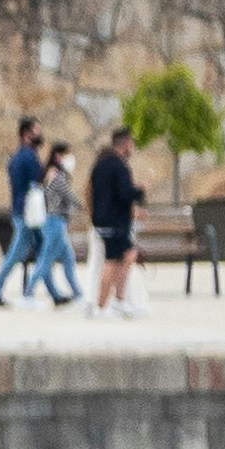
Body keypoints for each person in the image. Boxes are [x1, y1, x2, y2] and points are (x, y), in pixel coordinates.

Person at [0, 118, 48, 310]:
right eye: (36, 130)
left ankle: (52, 293)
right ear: (26, 134)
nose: (39, 134)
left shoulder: (16, 157)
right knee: (18, 253)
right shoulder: (29, 157)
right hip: (28, 212)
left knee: (41, 250)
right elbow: (38, 181)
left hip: (20, 210)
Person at [88, 129, 143, 319]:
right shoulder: (119, 166)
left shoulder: (100, 164)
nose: (133, 148)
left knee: (127, 255)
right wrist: (140, 190)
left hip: (103, 219)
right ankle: (101, 306)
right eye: (132, 143)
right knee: (112, 260)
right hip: (114, 222)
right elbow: (124, 193)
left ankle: (119, 300)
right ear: (126, 143)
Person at [32, 141, 85, 309]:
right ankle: (28, 293)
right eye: (67, 155)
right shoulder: (56, 175)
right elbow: (69, 196)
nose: (70, 159)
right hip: (54, 222)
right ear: (58, 156)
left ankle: (77, 293)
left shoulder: (53, 173)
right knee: (46, 260)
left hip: (56, 222)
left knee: (68, 258)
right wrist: (87, 206)